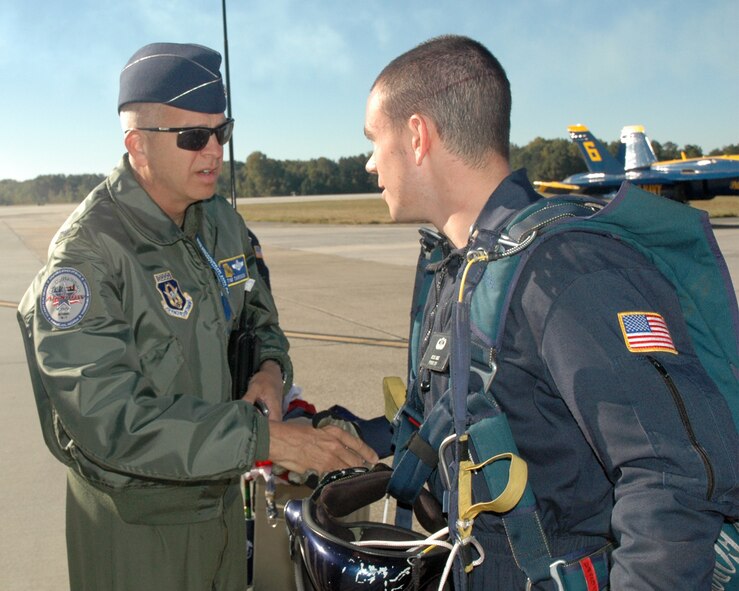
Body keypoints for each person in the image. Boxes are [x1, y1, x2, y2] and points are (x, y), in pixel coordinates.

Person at [362, 35, 738, 589]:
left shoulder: (567, 270)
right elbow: (452, 417)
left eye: (374, 140)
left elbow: (674, 477)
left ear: (417, 136)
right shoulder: (462, 269)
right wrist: (343, 438)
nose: (371, 163)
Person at [17, 42, 377, 591]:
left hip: (223, 513)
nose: (214, 152)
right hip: (139, 535)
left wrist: (269, 372)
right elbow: (112, 422)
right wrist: (268, 441)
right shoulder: (87, 258)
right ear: (137, 145)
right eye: (193, 137)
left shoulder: (220, 224)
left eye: (221, 132)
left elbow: (259, 318)